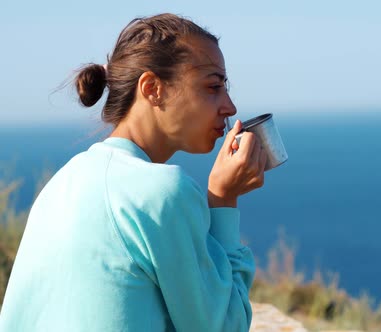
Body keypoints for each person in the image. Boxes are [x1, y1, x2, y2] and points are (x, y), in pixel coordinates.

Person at [0, 13, 265, 332]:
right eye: (213, 86)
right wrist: (223, 200)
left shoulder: (61, 184)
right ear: (152, 88)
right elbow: (224, 327)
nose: (230, 106)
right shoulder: (163, 191)